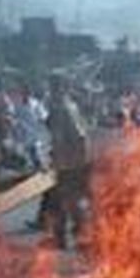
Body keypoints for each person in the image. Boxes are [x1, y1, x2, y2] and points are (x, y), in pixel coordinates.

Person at [42, 86, 90, 249]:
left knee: (67, 202)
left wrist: (80, 163)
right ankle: (64, 237)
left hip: (69, 165)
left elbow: (80, 136)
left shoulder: (65, 108)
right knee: (60, 202)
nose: (49, 93)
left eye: (53, 87)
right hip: (63, 163)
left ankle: (79, 236)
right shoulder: (60, 108)